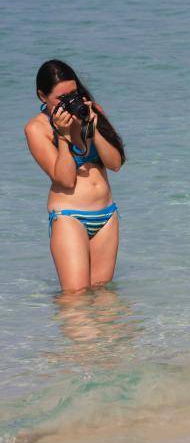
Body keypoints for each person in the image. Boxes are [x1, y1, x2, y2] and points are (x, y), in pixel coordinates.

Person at [24, 60, 126, 292]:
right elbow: (66, 179)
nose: (70, 102)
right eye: (62, 98)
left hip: (107, 215)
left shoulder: (91, 111)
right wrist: (64, 136)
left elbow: (115, 164)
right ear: (42, 96)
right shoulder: (37, 128)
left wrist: (92, 127)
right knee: (75, 299)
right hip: (70, 217)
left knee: (103, 296)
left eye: (73, 94)